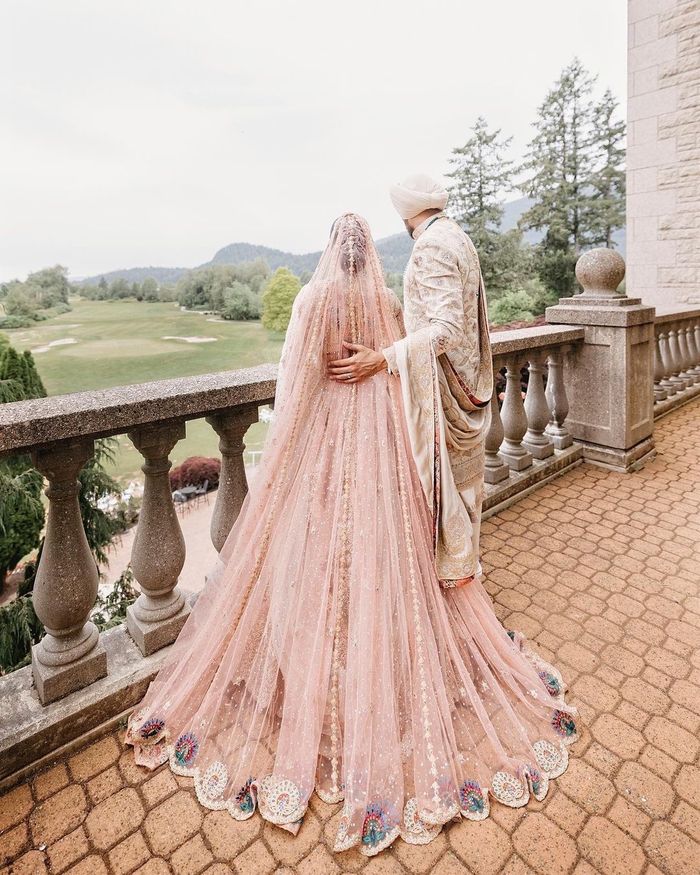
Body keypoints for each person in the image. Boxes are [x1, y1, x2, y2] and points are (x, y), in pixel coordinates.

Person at [126, 213, 576, 858]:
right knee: (387, 553)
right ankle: (383, 661)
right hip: (381, 435)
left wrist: (290, 450)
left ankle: (323, 673)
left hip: (328, 437)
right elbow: (403, 371)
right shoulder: (388, 301)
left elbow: (298, 382)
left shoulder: (312, 301)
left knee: (322, 555)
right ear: (369, 257)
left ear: (332, 254)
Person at [329, 174, 491, 590]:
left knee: (451, 494)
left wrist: (382, 359)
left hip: (446, 389)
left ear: (406, 210)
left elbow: (448, 329)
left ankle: (455, 587)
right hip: (468, 384)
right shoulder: (458, 236)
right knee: (465, 493)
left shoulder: (433, 244)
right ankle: (463, 576)